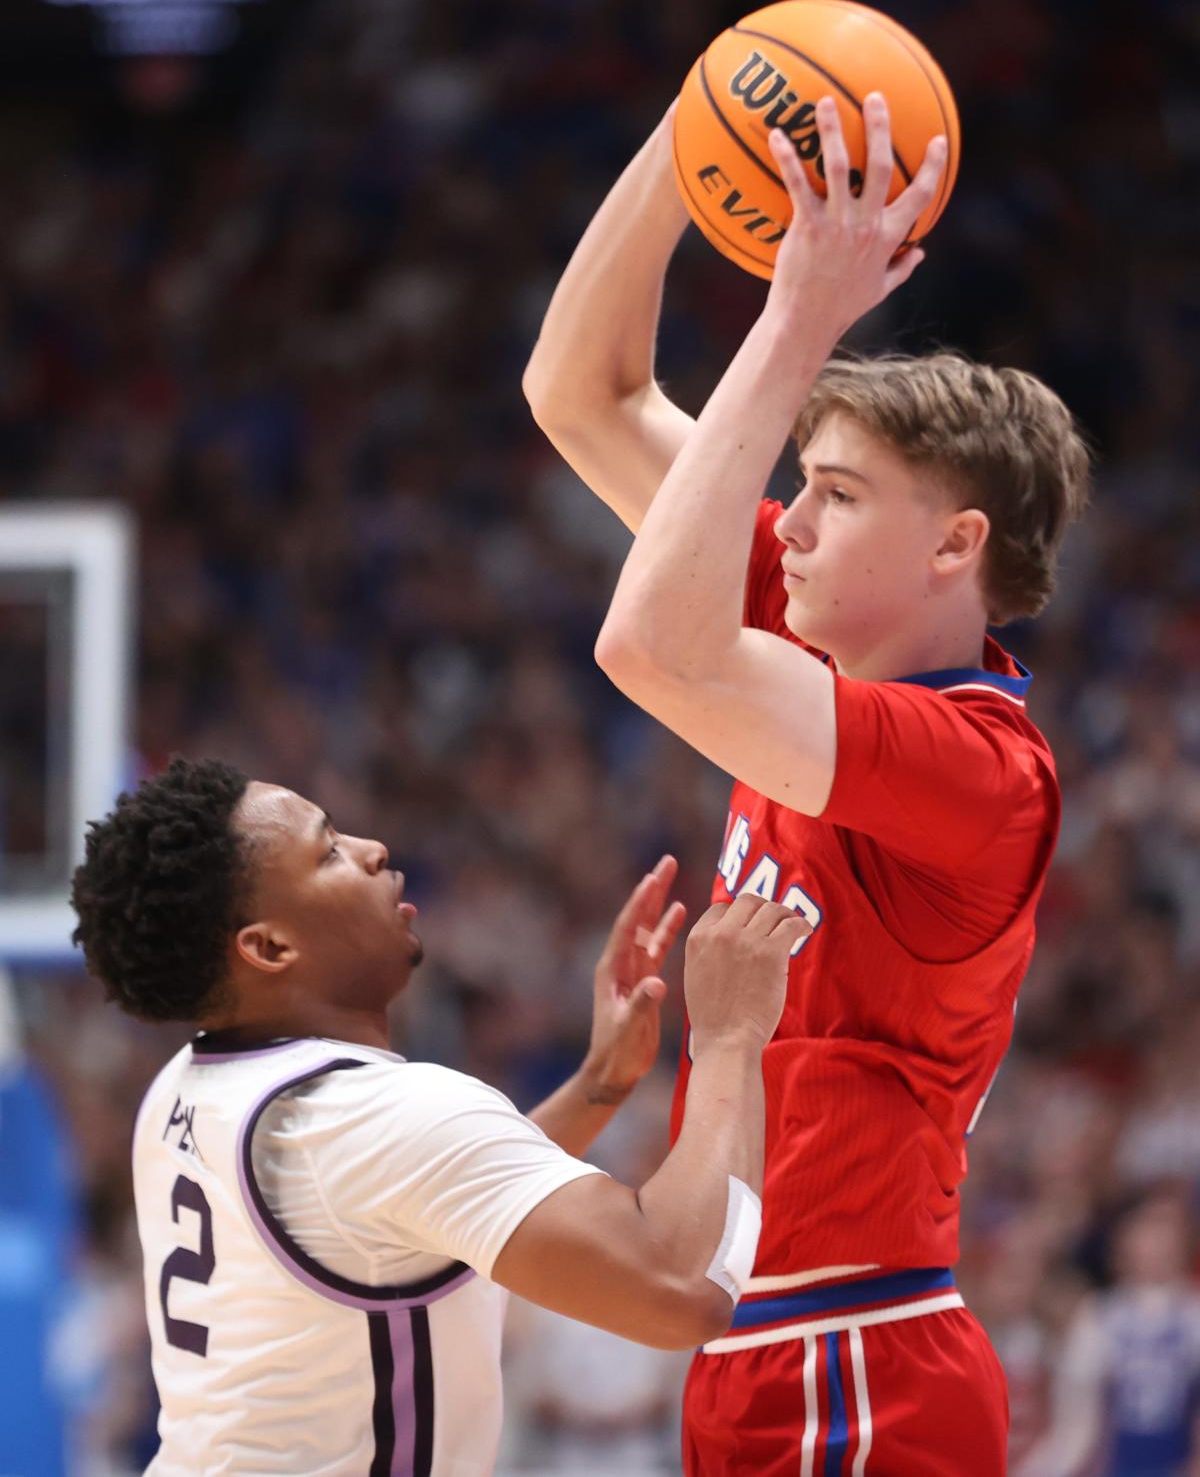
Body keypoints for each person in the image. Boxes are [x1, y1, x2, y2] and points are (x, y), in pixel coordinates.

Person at [523, 93, 1092, 1476]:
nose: (797, 521)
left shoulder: (981, 773)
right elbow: (580, 392)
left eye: (834, 493)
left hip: (860, 1356)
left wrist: (798, 320)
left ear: (954, 547)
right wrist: (692, 123)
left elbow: (651, 643)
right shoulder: (808, 624)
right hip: (765, 1344)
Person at [69, 756, 808, 1476]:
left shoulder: (184, 1086)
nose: (370, 849)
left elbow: (411, 1211)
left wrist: (597, 1085)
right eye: (328, 853)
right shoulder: (366, 1116)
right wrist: (725, 1037)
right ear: (269, 946)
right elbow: (682, 1290)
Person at [1015, 1186, 1200, 1477]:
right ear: (1124, 1238)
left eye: (1170, 1227)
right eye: (1149, 1225)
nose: (1161, 1241)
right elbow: (1076, 1424)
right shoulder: (1101, 1317)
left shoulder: (1192, 1315)